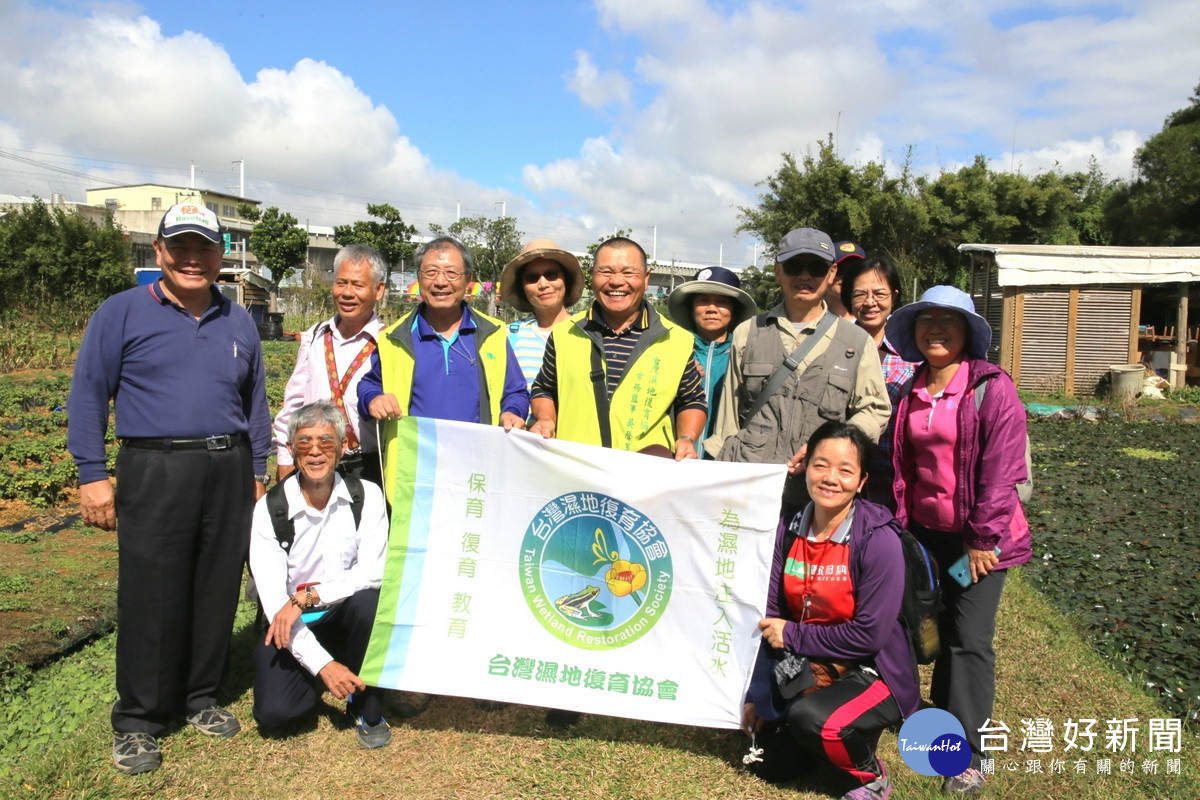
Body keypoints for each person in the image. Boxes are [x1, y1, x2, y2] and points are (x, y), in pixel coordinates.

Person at [66, 202, 272, 775]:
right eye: (179, 246)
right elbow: (88, 393)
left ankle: (201, 696)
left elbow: (254, 403)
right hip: (154, 467)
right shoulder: (121, 312)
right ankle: (138, 718)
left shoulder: (239, 320)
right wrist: (91, 473)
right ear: (159, 252)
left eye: (204, 248)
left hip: (227, 467)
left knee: (214, 585)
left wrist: (256, 470)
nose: (191, 258)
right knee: (151, 591)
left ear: (221, 256)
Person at [886, 286, 1032, 795]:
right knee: (938, 628)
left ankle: (972, 753)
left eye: (950, 320)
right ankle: (946, 727)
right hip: (929, 536)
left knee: (969, 639)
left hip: (982, 540)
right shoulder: (911, 390)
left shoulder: (992, 388)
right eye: (927, 320)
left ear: (968, 331)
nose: (937, 329)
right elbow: (900, 464)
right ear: (914, 331)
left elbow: (1001, 470)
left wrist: (981, 540)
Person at [741, 421, 917, 800]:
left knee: (814, 721)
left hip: (873, 669)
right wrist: (755, 690)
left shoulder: (878, 539)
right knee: (767, 763)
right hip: (808, 664)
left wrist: (793, 634)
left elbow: (868, 635)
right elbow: (769, 613)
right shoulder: (788, 529)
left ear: (862, 480)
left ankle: (870, 774)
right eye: (820, 465)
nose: (830, 478)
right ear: (806, 467)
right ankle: (820, 737)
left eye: (845, 470)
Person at [706, 227, 890, 511]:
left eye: (816, 267)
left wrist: (833, 448)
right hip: (749, 485)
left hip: (817, 495)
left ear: (831, 274)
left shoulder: (856, 341)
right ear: (778, 271)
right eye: (794, 267)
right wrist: (722, 475)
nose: (804, 276)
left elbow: (875, 409)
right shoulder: (748, 332)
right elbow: (728, 414)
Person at [250, 402, 391, 749]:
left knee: (369, 603)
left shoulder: (366, 496)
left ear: (343, 447)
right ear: (290, 449)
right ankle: (322, 668)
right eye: (304, 442)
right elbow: (274, 603)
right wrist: (324, 666)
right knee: (277, 714)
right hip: (290, 622)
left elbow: (374, 572)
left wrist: (309, 597)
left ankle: (363, 702)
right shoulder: (270, 510)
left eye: (326, 442)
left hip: (342, 611)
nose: (315, 452)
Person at [357, 235, 529, 505]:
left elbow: (515, 391)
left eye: (451, 273)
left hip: (478, 475)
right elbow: (369, 385)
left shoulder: (492, 333)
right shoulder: (394, 337)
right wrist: (373, 399)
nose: (440, 282)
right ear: (419, 278)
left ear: (468, 279)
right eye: (430, 272)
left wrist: (513, 412)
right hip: (415, 478)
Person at [530, 236, 706, 460]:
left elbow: (691, 400)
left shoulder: (677, 340)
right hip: (574, 467)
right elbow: (544, 388)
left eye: (628, 273)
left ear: (645, 278)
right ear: (592, 277)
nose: (616, 282)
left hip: (644, 472)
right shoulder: (565, 334)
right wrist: (545, 419)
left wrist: (687, 438)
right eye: (605, 272)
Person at [274, 244, 387, 486]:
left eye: (357, 285)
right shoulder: (315, 336)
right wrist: (284, 459)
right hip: (316, 463)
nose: (347, 293)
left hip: (369, 467)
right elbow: (293, 402)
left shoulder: (388, 343)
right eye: (341, 283)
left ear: (378, 290)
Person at [838, 256, 917, 510]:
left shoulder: (913, 354)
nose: (870, 302)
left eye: (879, 293)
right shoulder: (833, 345)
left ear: (895, 295)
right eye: (860, 294)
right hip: (841, 483)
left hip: (898, 488)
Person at [666, 266, 757, 450]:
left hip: (724, 460)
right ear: (691, 308)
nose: (712, 309)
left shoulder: (746, 356)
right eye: (703, 301)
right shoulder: (671, 350)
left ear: (734, 310)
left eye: (722, 302)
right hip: (675, 456)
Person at [499, 239, 585, 388]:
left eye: (551, 275)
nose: (543, 284)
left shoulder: (588, 331)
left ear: (566, 279)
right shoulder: (509, 337)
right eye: (532, 278)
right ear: (522, 287)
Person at [826, 241, 866, 321]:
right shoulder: (808, 317)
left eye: (854, 271)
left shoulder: (880, 321)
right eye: (840, 269)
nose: (847, 276)